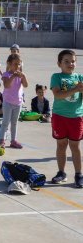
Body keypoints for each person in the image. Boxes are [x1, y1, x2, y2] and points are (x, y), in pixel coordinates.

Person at [50, 49, 83, 188]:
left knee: (75, 146)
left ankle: (79, 174)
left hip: (76, 117)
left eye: (73, 61)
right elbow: (57, 95)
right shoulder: (57, 77)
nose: (70, 64)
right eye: (66, 61)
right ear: (59, 63)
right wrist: (76, 89)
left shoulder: (79, 78)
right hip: (59, 116)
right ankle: (61, 173)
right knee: (61, 145)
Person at [0, 54, 28, 149]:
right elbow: (7, 85)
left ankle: (13, 140)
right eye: (15, 64)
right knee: (5, 122)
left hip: (18, 102)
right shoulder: (6, 74)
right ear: (9, 64)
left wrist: (23, 77)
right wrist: (13, 76)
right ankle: (2, 140)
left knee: (14, 122)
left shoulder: (20, 75)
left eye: (19, 64)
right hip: (8, 102)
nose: (17, 66)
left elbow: (26, 85)